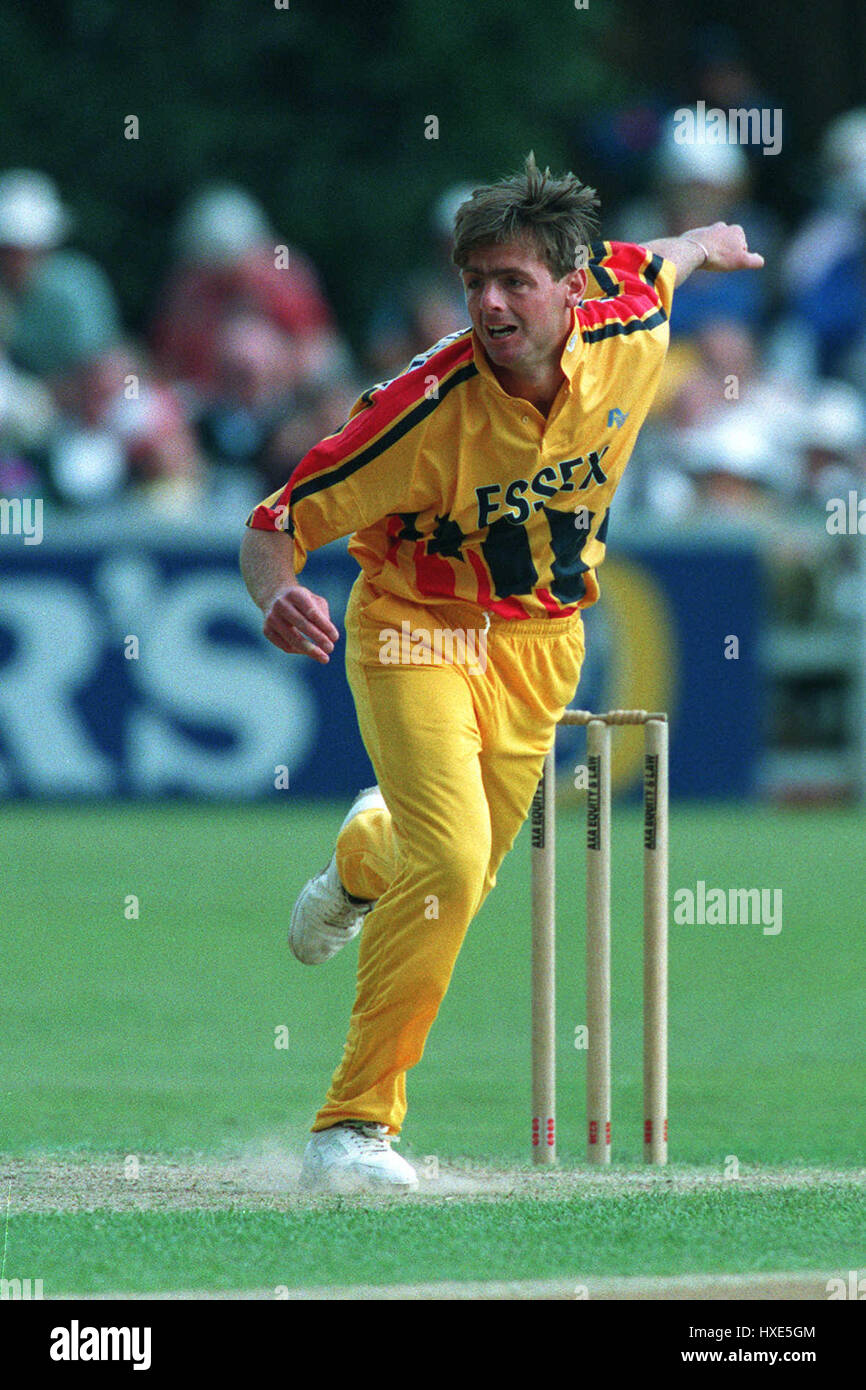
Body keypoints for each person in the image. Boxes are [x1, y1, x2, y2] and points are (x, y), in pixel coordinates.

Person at [240, 153, 763, 1193]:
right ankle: (349, 1127)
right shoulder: (417, 409)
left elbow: (665, 256)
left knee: (458, 873)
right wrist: (273, 595)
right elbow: (275, 524)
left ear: (572, 286)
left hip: (541, 641)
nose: (488, 302)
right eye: (474, 280)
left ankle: (360, 853)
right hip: (414, 627)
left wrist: (710, 242)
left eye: (513, 280)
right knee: (452, 861)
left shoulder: (627, 319)